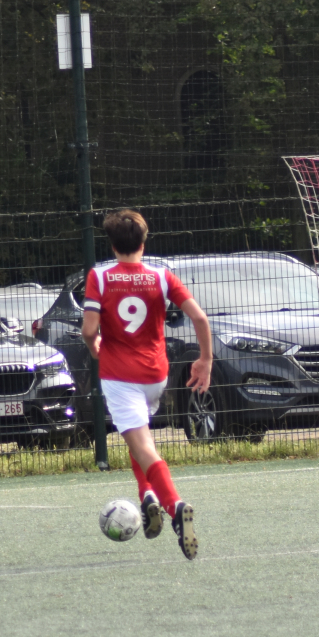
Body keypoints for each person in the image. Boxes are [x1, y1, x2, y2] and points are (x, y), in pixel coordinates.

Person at [82, 209, 213, 559]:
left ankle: (175, 506)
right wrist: (205, 360)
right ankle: (147, 496)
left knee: (141, 445)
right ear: (144, 241)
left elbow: (89, 330)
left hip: (119, 375)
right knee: (139, 436)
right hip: (155, 375)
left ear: (112, 245)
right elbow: (200, 318)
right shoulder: (161, 275)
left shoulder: (99, 277)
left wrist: (95, 347)